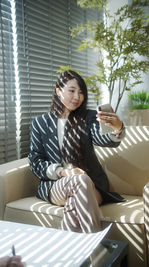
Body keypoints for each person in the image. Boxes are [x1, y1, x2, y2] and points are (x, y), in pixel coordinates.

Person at [28, 70, 125, 233]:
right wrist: (63, 172)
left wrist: (117, 128)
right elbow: (35, 161)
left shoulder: (88, 117)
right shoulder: (40, 123)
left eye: (81, 93)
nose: (77, 97)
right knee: (79, 181)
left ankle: (77, 252)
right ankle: (95, 250)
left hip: (92, 185)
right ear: (58, 91)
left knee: (79, 189)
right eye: (72, 91)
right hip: (57, 185)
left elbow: (104, 140)